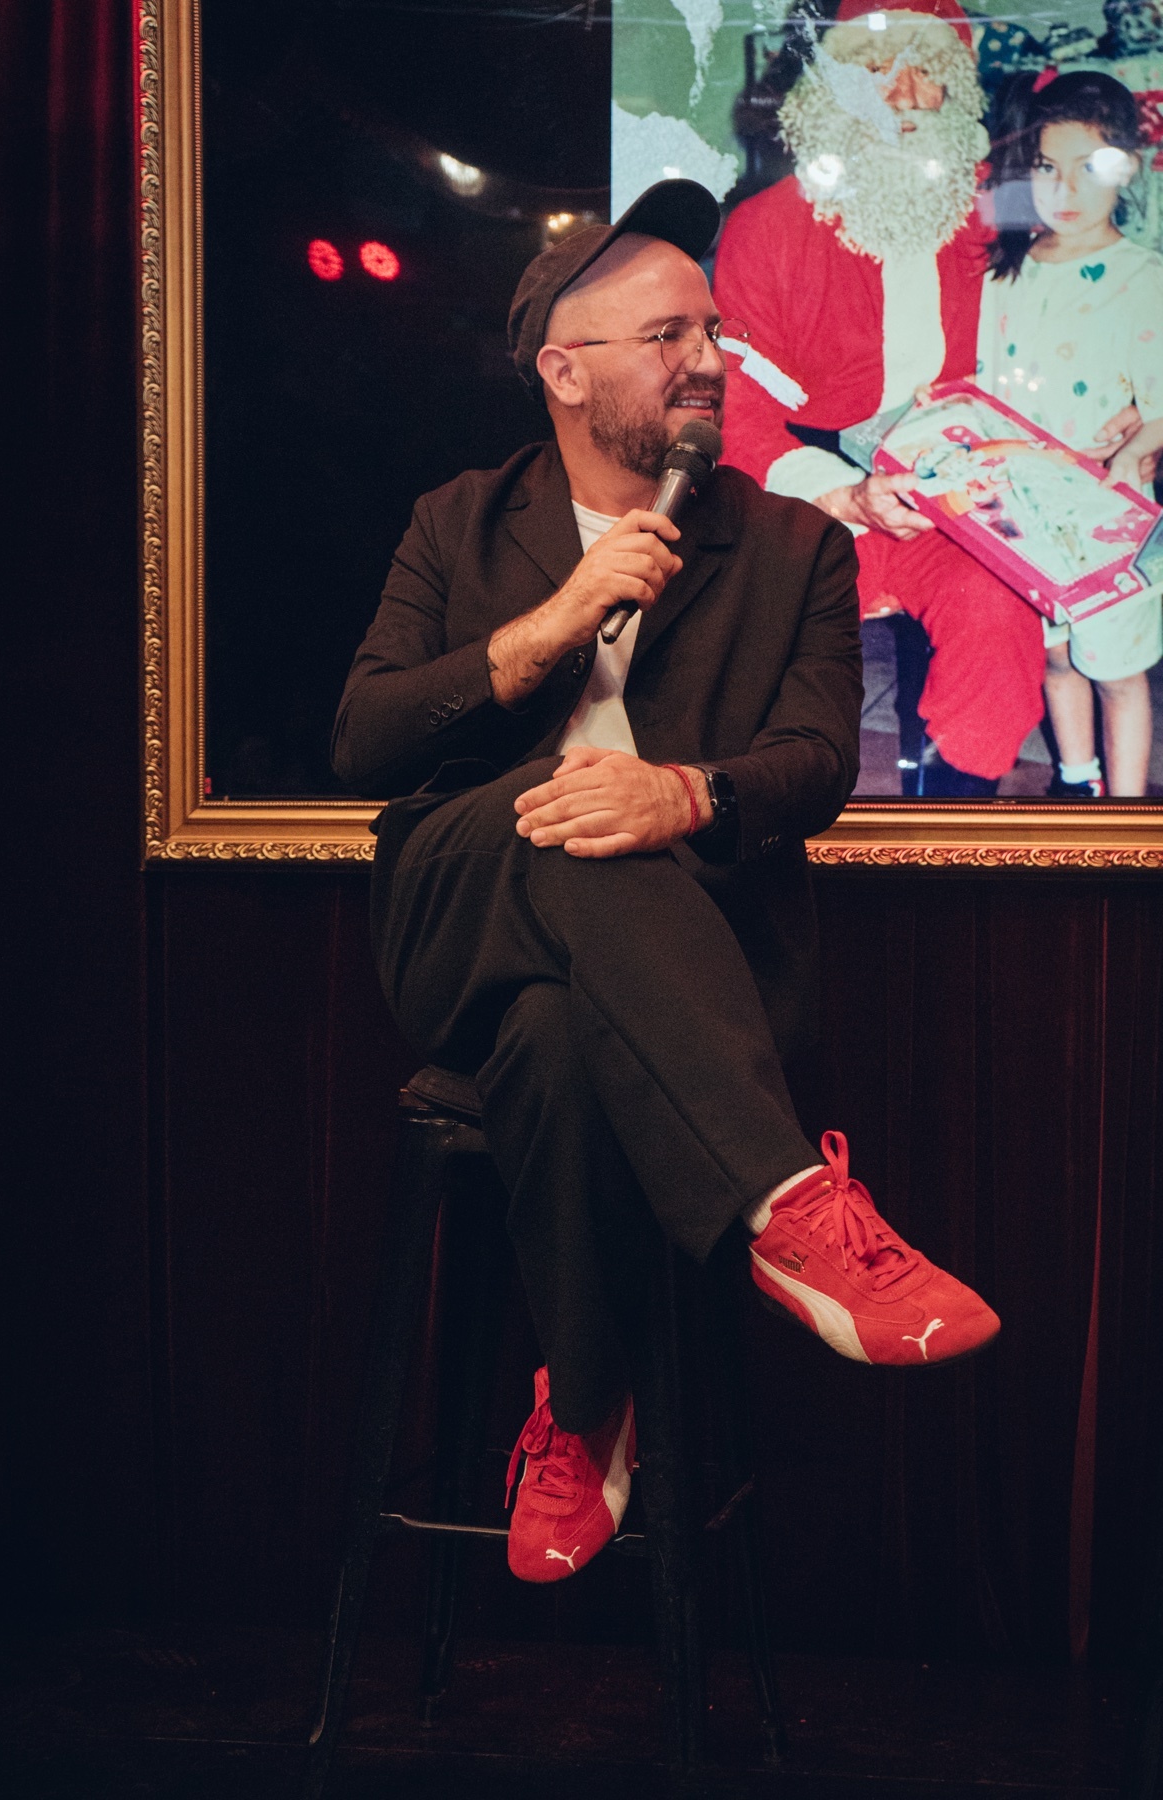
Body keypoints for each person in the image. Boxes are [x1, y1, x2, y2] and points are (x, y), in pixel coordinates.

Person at [332, 179, 999, 1588]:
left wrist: (683, 795)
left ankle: (581, 1408)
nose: (707, 356)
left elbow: (817, 756)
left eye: (711, 326)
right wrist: (553, 626)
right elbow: (368, 742)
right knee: (550, 809)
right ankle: (790, 1209)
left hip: (675, 978)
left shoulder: (794, 547)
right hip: (455, 923)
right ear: (562, 371)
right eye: (663, 333)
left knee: (567, 1030)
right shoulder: (460, 524)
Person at [714, 0, 1051, 796]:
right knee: (768, 681)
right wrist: (844, 495)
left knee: (998, 626)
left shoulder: (995, 212)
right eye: (875, 70)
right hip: (814, 494)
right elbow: (735, 407)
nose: (901, 95)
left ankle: (953, 835)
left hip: (960, 493)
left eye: (926, 73)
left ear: (955, 96)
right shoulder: (766, 228)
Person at [975, 68, 1163, 797]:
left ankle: (1124, 813)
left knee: (1117, 669)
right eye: (1049, 169)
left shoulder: (1142, 276)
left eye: (1091, 169)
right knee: (1054, 658)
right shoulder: (1004, 278)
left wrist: (1136, 447)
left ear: (1128, 170)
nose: (1068, 192)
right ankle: (1077, 784)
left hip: (1109, 516)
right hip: (1024, 513)